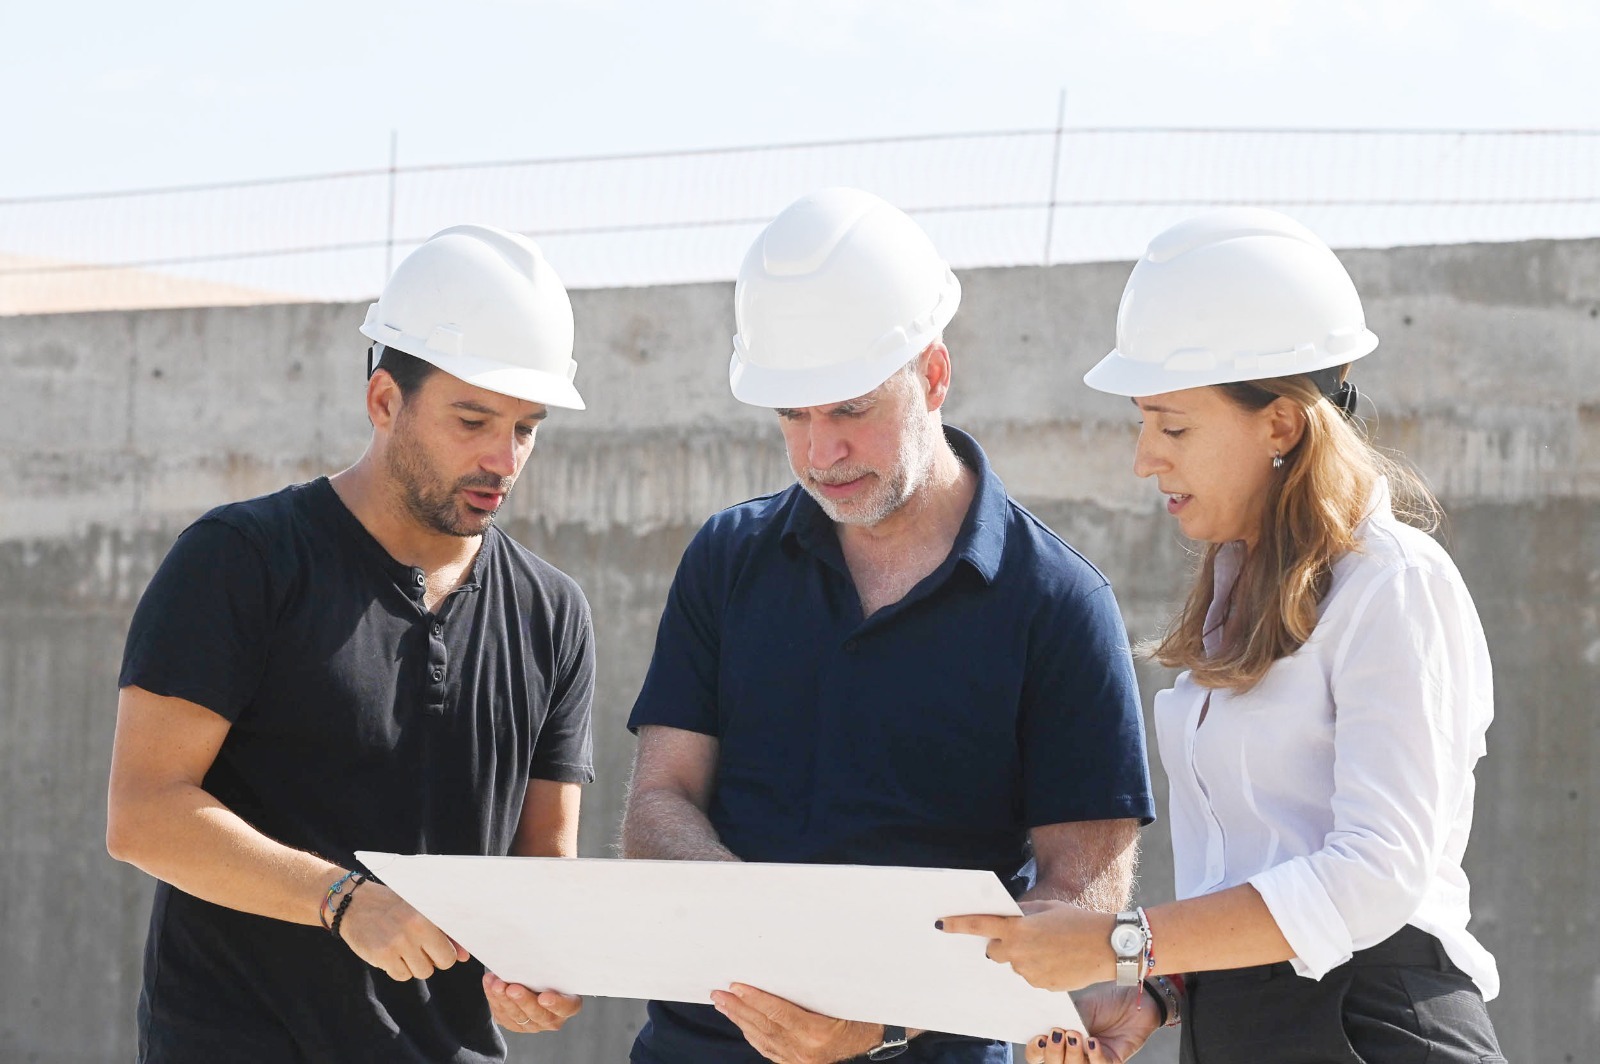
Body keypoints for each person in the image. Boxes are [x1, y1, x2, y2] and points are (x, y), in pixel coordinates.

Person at [942, 209, 1504, 1064]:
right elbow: (1259, 861)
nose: (1144, 458)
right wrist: (1161, 993)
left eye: (1173, 426)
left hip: (1373, 1026)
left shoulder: (1394, 582)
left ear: (1280, 423)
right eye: (1143, 422)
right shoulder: (1240, 592)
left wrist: (1118, 943)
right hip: (1252, 1027)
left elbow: (1375, 876)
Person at [617, 187, 1156, 1064]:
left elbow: (1078, 897)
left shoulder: (1059, 605)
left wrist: (882, 1023)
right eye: (794, 415)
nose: (820, 453)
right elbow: (658, 802)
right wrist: (765, 939)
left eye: (851, 410)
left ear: (933, 374)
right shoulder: (725, 559)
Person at [106, 224, 596, 1063]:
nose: (501, 458)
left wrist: (540, 968)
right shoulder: (242, 560)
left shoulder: (554, 613)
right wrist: (343, 901)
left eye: (525, 427)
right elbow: (144, 813)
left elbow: (542, 863)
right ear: (383, 401)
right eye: (472, 419)